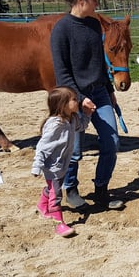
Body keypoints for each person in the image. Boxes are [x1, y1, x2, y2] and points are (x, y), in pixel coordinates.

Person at [50, 0, 124, 212]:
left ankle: (101, 189)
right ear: (80, 1)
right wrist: (79, 99)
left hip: (100, 92)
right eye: (94, 0)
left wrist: (109, 89)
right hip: (73, 98)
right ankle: (71, 189)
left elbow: (99, 61)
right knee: (74, 149)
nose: (97, 4)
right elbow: (62, 73)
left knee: (111, 140)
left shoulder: (94, 25)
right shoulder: (61, 30)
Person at [31, 87, 88, 237]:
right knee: (56, 194)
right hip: (52, 166)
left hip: (63, 164)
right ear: (63, 105)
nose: (78, 101)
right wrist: (37, 166)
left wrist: (87, 114)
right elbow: (43, 146)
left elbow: (81, 127)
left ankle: (42, 205)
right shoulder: (54, 125)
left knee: (52, 188)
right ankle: (59, 224)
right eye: (74, 100)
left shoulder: (72, 119)